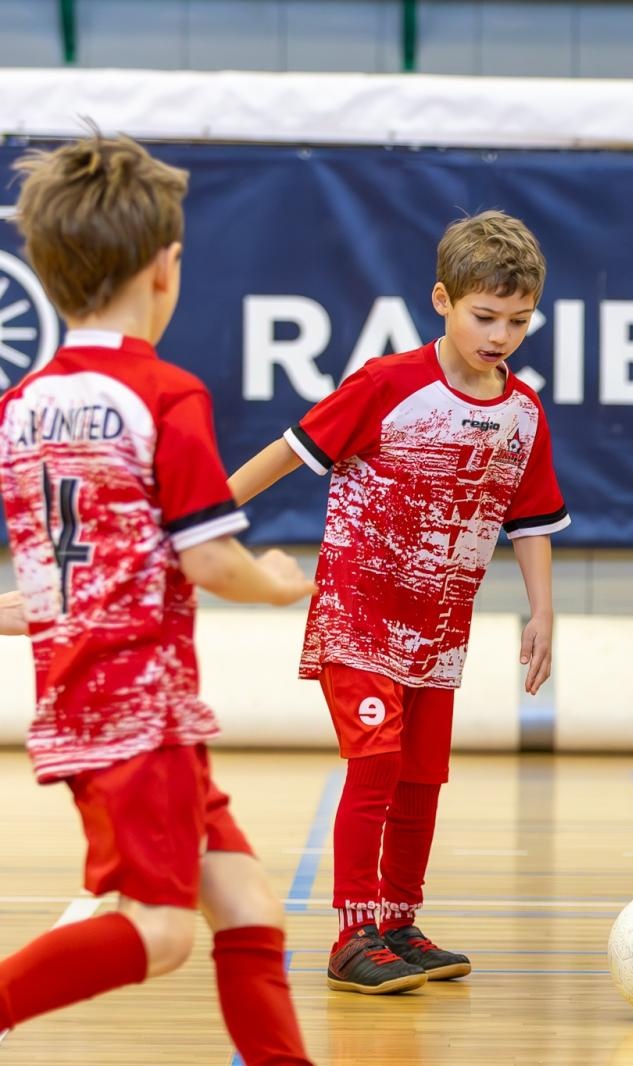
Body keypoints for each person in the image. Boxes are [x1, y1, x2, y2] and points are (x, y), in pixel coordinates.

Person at [0, 133, 314, 1064]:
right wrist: (279, 587)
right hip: (138, 712)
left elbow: (61, 555)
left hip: (91, 700)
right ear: (166, 267)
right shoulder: (166, 394)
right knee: (163, 931)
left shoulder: (22, 403)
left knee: (249, 906)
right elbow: (213, 562)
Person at [228, 210, 569, 995]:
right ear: (442, 301)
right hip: (360, 614)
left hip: (439, 631)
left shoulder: (523, 413)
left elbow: (533, 520)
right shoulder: (387, 385)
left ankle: (398, 918)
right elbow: (290, 452)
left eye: (519, 321)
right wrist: (208, 517)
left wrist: (540, 611)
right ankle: (352, 934)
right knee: (375, 770)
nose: (502, 335)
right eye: (486, 317)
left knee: (421, 781)